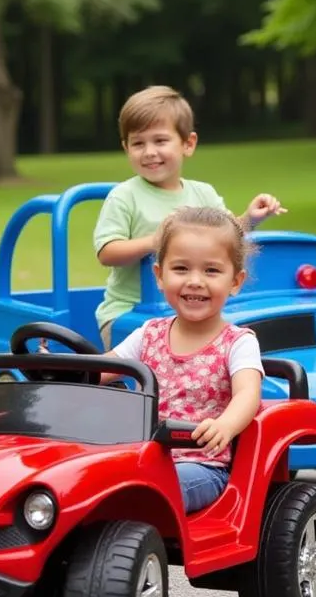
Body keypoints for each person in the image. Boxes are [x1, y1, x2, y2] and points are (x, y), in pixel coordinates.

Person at [93, 85, 286, 349]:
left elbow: (228, 234)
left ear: (188, 144)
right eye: (138, 143)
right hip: (131, 311)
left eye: (160, 141)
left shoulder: (202, 193)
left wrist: (250, 219)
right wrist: (156, 240)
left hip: (192, 305)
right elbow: (107, 252)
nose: (149, 152)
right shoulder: (124, 196)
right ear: (126, 147)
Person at [104, 206, 265, 514]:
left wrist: (226, 425)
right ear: (159, 276)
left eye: (211, 271)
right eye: (181, 269)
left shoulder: (238, 343)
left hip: (202, 467)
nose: (195, 281)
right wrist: (62, 368)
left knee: (153, 487)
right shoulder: (148, 334)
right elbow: (105, 369)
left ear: (236, 281)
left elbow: (248, 392)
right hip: (141, 459)